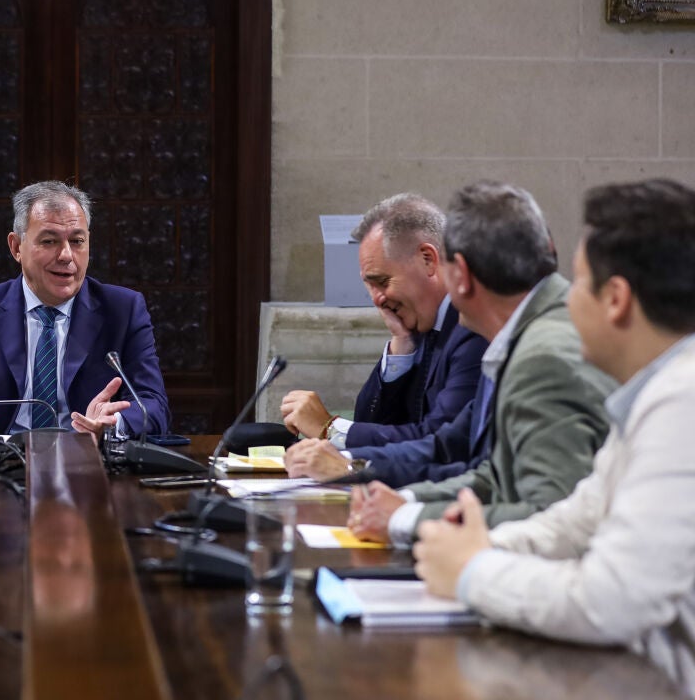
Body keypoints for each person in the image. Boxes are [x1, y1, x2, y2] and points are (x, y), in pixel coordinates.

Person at [413, 179, 695, 697]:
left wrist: (474, 570)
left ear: (616, 300)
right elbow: (576, 520)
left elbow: (609, 600)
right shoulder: (657, 391)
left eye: (579, 282)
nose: (566, 298)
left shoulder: (682, 401)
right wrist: (472, 546)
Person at [340, 181, 614, 545]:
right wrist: (403, 501)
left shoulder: (543, 356)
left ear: (462, 276)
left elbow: (548, 512)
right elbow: (490, 474)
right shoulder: (520, 335)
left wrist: (406, 518)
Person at [0, 180, 169, 439]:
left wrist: (112, 423)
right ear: (16, 247)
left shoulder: (123, 310)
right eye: (49, 241)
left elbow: (154, 405)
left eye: (77, 241)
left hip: (88, 457)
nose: (66, 255)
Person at [280, 194, 486, 452]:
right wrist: (402, 348)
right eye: (369, 286)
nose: (377, 299)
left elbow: (441, 441)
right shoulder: (421, 326)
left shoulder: (475, 327)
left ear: (428, 259)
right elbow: (371, 424)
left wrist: (329, 428)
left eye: (382, 282)